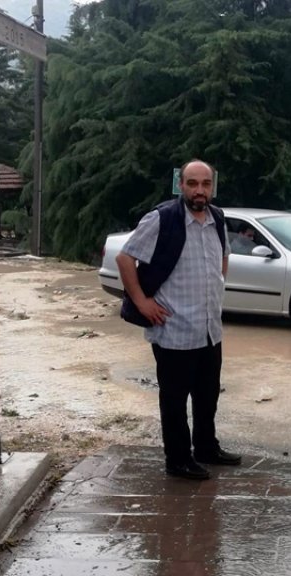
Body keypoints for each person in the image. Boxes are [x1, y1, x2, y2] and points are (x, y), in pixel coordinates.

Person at [116, 160, 242, 480]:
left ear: (212, 186)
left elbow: (223, 257)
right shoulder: (162, 219)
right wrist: (142, 302)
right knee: (174, 401)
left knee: (207, 395)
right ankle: (178, 460)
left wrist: (216, 287)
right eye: (192, 183)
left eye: (206, 184)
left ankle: (206, 448)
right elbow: (125, 257)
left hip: (210, 330)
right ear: (181, 185)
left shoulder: (217, 218)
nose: (199, 190)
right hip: (174, 330)